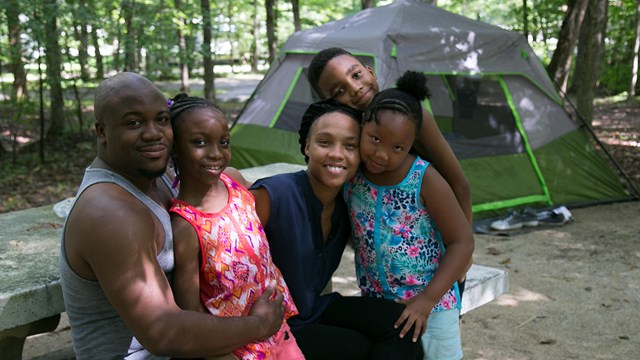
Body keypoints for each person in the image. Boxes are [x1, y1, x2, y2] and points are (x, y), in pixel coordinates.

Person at [60, 72, 285, 360]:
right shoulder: (109, 213)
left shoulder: (159, 176)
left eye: (162, 120)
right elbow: (163, 332)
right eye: (134, 123)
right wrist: (259, 324)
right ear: (101, 131)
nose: (154, 133)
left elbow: (223, 182)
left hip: (206, 339)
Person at [250, 99, 424, 360]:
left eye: (350, 145)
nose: (337, 153)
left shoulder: (349, 203)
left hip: (314, 309)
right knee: (359, 348)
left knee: (402, 325)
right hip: (277, 325)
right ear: (307, 146)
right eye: (325, 142)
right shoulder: (273, 195)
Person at [308, 46, 473, 299]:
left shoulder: (410, 115)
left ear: (370, 71)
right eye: (339, 90)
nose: (355, 88)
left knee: (439, 327)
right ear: (329, 102)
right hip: (384, 270)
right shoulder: (345, 128)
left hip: (434, 252)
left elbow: (459, 184)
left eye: (356, 75)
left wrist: (465, 253)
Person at [343, 71, 474, 359]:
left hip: (433, 305)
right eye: (374, 139)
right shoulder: (353, 176)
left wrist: (426, 300)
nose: (382, 154)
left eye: (397, 147)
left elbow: (462, 242)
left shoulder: (424, 179)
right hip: (380, 306)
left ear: (412, 142)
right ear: (362, 126)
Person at [167, 93, 304, 360]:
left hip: (278, 328)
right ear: (175, 150)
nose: (216, 153)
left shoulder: (234, 181)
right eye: (200, 142)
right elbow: (190, 313)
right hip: (238, 350)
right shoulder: (185, 226)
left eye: (224, 142)